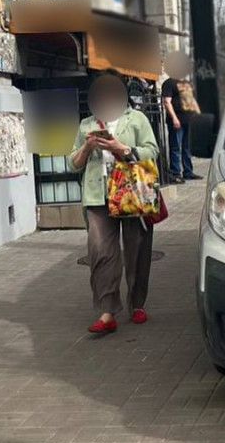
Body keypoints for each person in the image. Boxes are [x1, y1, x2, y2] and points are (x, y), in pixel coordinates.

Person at [69, 71, 160, 334]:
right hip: (97, 197)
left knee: (137, 250)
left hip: (132, 192)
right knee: (100, 252)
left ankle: (137, 304)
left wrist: (122, 148)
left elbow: (152, 151)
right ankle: (107, 312)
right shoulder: (87, 124)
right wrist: (87, 147)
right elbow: (72, 164)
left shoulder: (136, 119)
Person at [161, 53, 203, 184]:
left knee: (187, 147)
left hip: (190, 120)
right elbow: (166, 102)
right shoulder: (168, 83)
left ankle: (188, 172)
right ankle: (175, 173)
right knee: (175, 147)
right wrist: (174, 119)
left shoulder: (187, 83)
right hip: (177, 121)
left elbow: (193, 101)